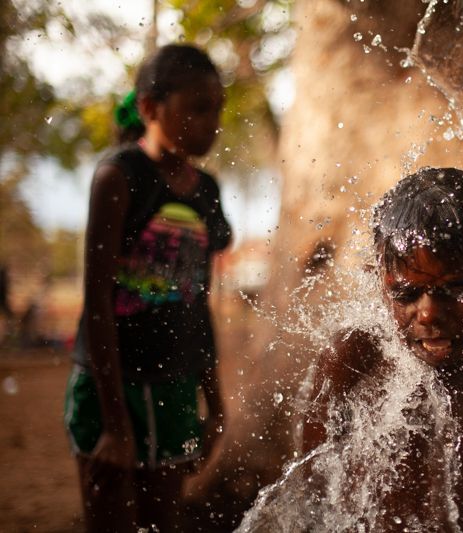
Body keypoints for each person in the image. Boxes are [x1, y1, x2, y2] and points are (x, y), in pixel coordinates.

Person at [301, 167, 463, 531]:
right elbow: (310, 497)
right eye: (406, 293)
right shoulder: (353, 362)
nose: (429, 312)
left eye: (455, 289)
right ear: (381, 283)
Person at [63, 44, 231, 532]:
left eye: (218, 109)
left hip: (175, 386)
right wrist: (116, 426)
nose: (212, 123)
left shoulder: (207, 191)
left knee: (164, 521)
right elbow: (97, 302)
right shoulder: (120, 176)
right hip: (110, 387)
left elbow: (198, 301)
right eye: (199, 108)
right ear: (150, 108)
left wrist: (215, 404)